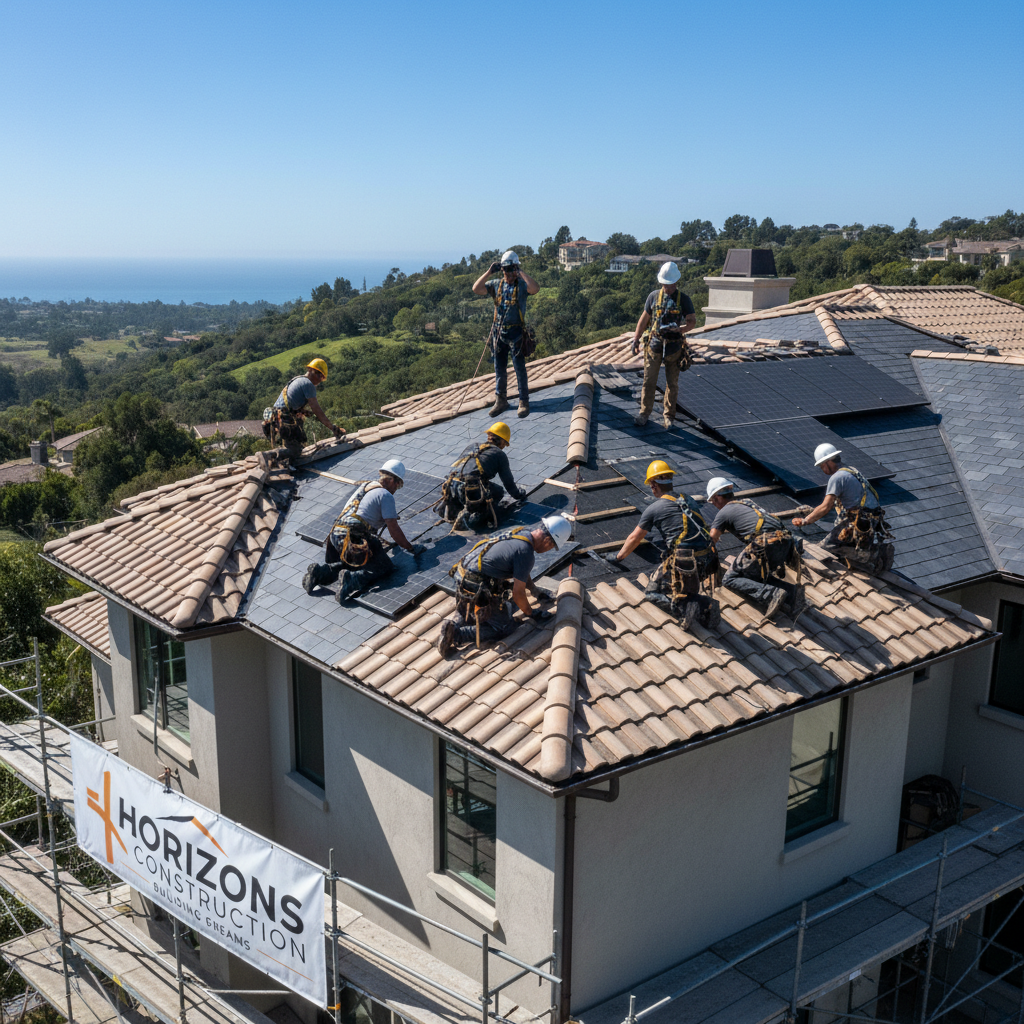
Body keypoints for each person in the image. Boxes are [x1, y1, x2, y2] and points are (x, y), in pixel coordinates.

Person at [603, 460, 720, 629]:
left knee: (652, 592)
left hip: (685, 562)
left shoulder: (654, 508)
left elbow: (635, 537)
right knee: (680, 585)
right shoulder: (688, 499)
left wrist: (618, 557)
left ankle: (687, 607)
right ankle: (703, 603)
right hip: (707, 558)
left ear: (653, 485)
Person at [435, 516, 571, 656]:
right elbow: (518, 594)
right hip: (476, 586)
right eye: (552, 547)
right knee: (503, 627)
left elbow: (521, 572)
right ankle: (457, 634)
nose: (549, 550)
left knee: (473, 607)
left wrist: (535, 591)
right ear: (547, 540)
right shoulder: (526, 552)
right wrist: (531, 613)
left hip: (462, 575)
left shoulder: (521, 533)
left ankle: (455, 622)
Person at [302, 460, 425, 602]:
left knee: (357, 562)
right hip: (354, 536)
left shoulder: (367, 486)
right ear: (391, 480)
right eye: (398, 484)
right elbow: (394, 529)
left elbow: (365, 513)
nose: (397, 488)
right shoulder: (386, 495)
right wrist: (410, 548)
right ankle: (351, 581)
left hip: (336, 535)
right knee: (383, 567)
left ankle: (320, 573)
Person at [706, 477, 805, 620]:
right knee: (754, 576)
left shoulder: (723, 512)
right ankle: (792, 593)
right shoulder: (747, 502)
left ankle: (771, 594)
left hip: (765, 544)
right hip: (786, 543)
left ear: (717, 497)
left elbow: (712, 539)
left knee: (730, 578)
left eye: (713, 501)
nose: (714, 505)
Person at [792, 444, 895, 574]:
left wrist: (805, 520)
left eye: (822, 466)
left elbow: (825, 506)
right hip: (870, 520)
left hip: (858, 522)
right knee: (845, 545)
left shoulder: (837, 477)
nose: (822, 470)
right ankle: (865, 556)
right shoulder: (851, 470)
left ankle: (873, 554)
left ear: (828, 462)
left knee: (825, 548)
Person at [472, 251, 539, 419]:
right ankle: (501, 400)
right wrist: (489, 272)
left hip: (516, 332)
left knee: (519, 368)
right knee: (499, 368)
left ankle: (523, 401)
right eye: (505, 270)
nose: (508, 273)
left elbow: (535, 288)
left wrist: (520, 272)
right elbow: (476, 289)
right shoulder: (496, 284)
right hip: (499, 332)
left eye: (510, 269)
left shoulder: (522, 285)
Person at [631, 262, 697, 428]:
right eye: (665, 285)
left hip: (674, 347)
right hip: (655, 344)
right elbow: (644, 319)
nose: (667, 288)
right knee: (649, 380)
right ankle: (644, 413)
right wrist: (636, 339)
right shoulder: (653, 297)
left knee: (672, 383)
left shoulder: (684, 300)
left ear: (676, 283)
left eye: (670, 285)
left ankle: (669, 415)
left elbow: (692, 321)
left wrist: (681, 329)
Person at [434, 421, 527, 529]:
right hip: (469, 489)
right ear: (502, 441)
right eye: (504, 444)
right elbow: (508, 483)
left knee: (472, 487)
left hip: (450, 485)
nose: (503, 447)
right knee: (498, 492)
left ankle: (454, 511)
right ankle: (478, 516)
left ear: (489, 436)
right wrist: (519, 495)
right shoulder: (499, 454)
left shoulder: (473, 446)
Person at [263, 358, 345, 457]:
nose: (320, 381)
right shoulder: (308, 384)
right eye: (321, 377)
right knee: (295, 451)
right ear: (314, 372)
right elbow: (317, 410)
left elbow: (293, 405)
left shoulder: (298, 380)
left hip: (278, 417)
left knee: (297, 446)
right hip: (283, 419)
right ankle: (268, 456)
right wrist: (332, 428)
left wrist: (307, 413)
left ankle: (278, 456)